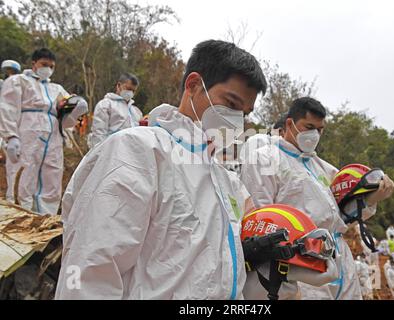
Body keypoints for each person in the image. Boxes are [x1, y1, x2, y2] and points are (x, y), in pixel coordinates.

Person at [55, 40, 267, 300]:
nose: (237, 120)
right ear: (193, 85)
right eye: (231, 104)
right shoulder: (139, 151)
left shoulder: (225, 181)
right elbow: (90, 267)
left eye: (244, 113)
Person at [240, 97, 394, 300]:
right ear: (290, 124)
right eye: (309, 126)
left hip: (338, 255)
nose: (315, 134)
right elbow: (260, 219)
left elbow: (341, 216)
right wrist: (283, 269)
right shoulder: (265, 159)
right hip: (303, 258)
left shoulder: (322, 167)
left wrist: (369, 199)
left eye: (320, 129)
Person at [0, 48, 88, 215]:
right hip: (27, 132)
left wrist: (75, 108)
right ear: (34, 64)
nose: (47, 69)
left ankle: (45, 218)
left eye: (51, 66)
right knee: (24, 174)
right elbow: (8, 108)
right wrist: (10, 136)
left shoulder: (57, 89)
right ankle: (20, 217)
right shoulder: (19, 81)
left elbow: (66, 118)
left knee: (52, 176)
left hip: (53, 134)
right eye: (44, 64)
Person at [88, 73, 143, 149]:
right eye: (128, 89)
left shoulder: (135, 111)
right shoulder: (106, 105)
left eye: (133, 91)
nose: (131, 93)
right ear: (119, 85)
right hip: (112, 151)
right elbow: (99, 134)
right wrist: (100, 154)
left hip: (131, 153)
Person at [0, 60, 22, 202]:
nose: (10, 74)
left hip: (11, 128)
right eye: (7, 71)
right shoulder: (2, 85)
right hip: (4, 125)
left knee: (14, 165)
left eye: (12, 71)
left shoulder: (19, 87)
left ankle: (12, 198)